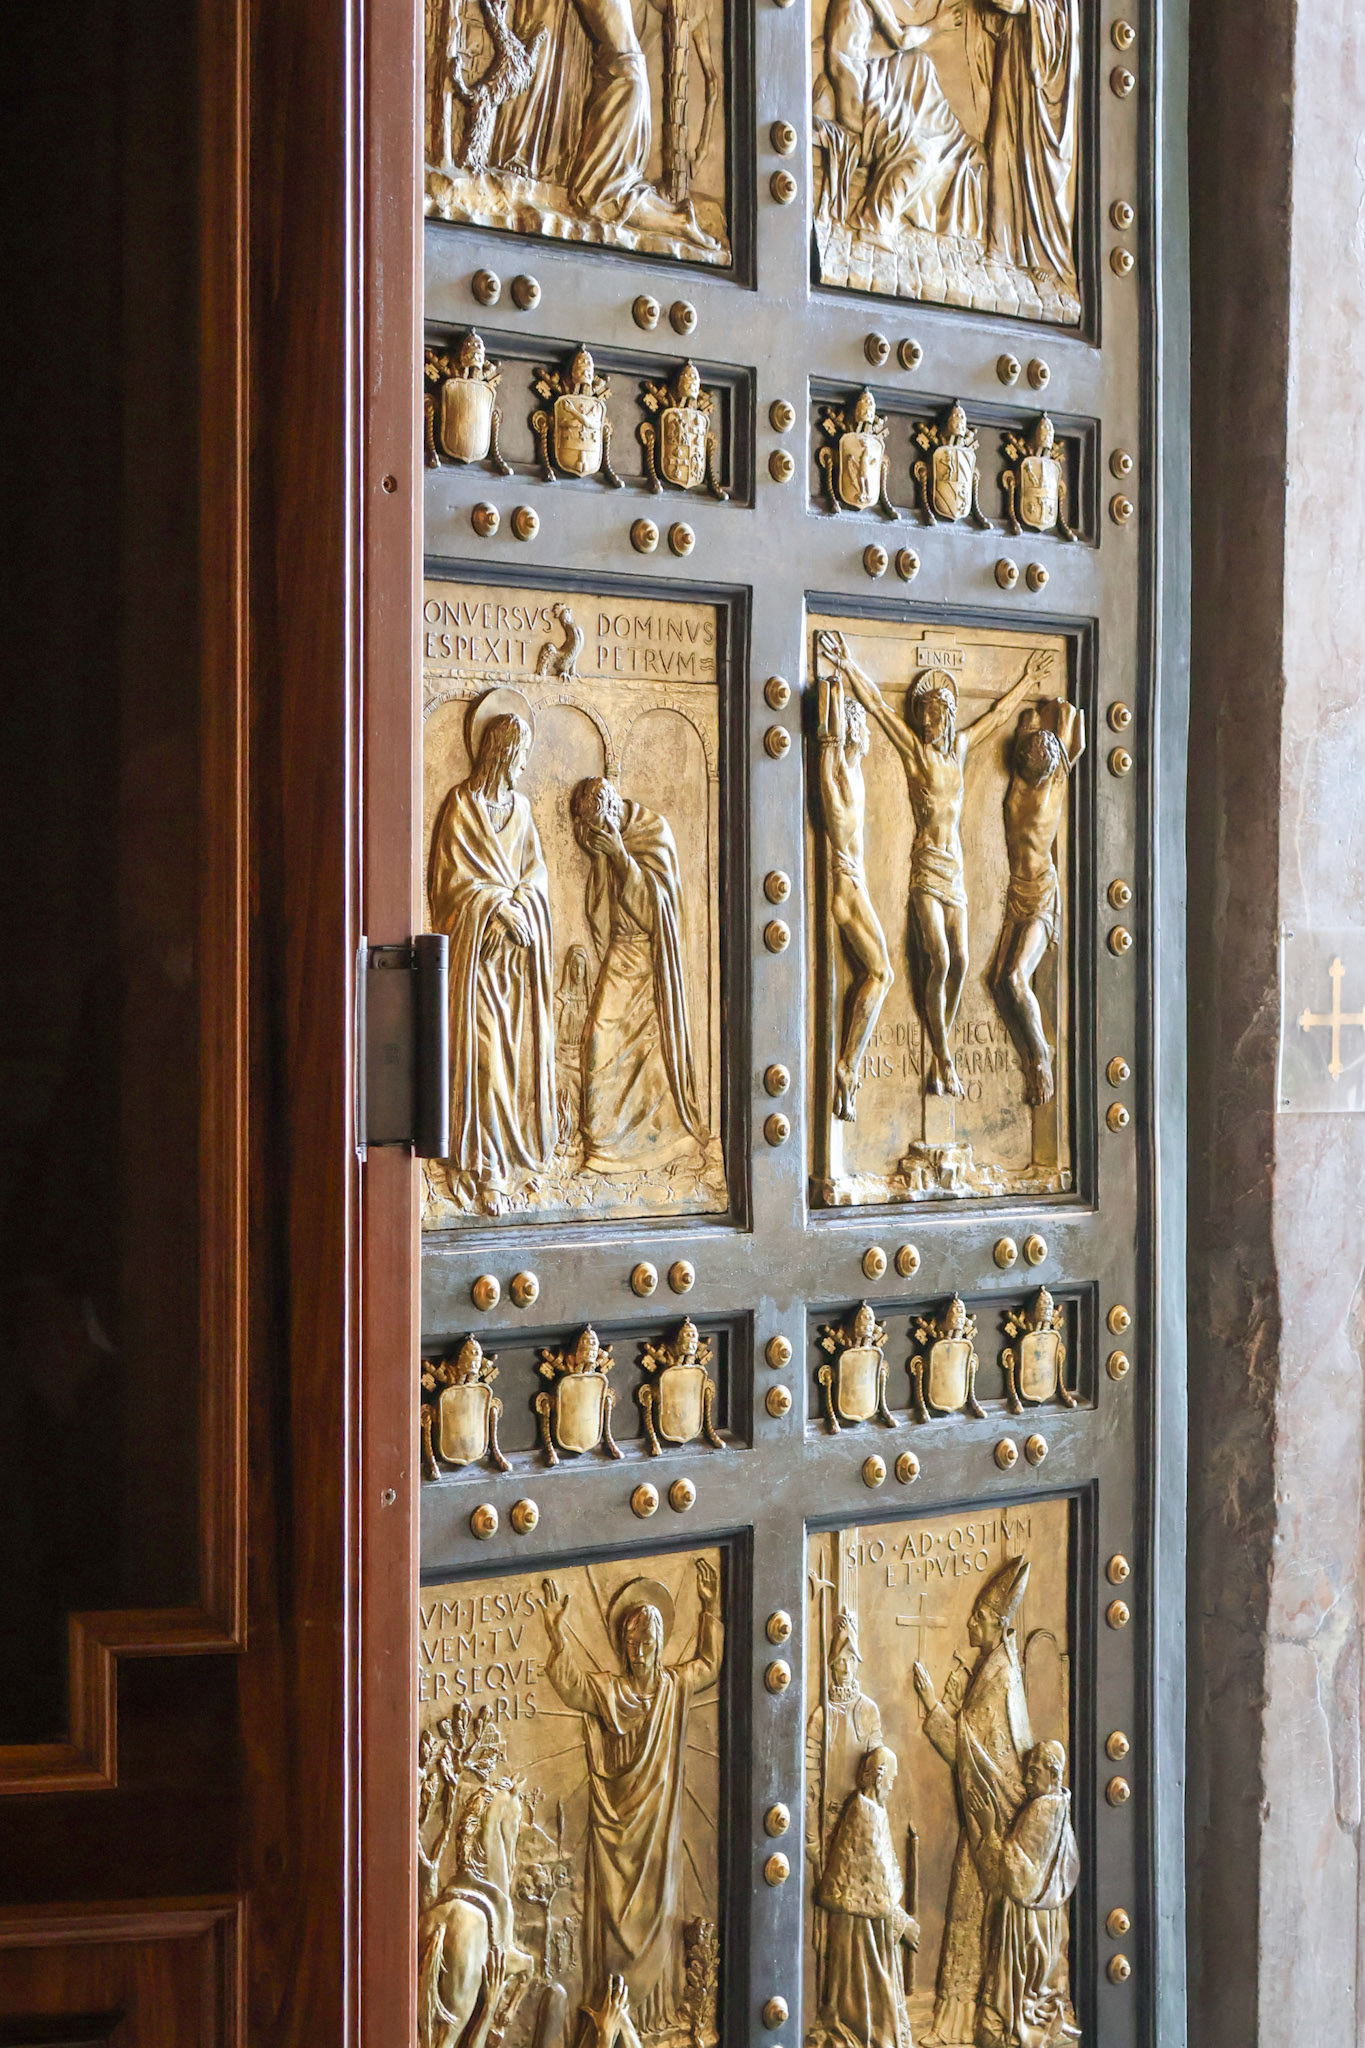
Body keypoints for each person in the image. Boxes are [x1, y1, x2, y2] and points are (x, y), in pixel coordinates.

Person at [817, 633, 1055, 1099]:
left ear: (946, 714)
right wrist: (846, 665)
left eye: (933, 714)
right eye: (922, 714)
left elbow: (996, 717)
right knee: (940, 959)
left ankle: (939, 1055)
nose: (926, 722)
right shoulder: (916, 754)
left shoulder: (960, 749)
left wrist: (1028, 680)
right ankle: (944, 1058)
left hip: (955, 870)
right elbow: (879, 709)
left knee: (961, 961)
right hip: (926, 868)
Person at [539, 1561, 723, 2031]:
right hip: (614, 1827)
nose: (639, 1653)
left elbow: (709, 1666)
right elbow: (573, 1688)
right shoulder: (611, 1691)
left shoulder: (673, 1688)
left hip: (657, 1825)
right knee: (612, 1922)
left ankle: (652, 2015)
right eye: (632, 1644)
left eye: (647, 1644)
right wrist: (557, 1635)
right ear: (622, 1646)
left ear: (659, 1645)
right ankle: (610, 2016)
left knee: (659, 1913)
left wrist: (710, 1607)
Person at [427, 693, 556, 1215]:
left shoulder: (521, 810)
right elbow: (448, 886)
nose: (524, 766)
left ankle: (509, 1156)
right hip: (476, 959)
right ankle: (488, 1170)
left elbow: (537, 876)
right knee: (484, 1060)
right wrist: (497, 906)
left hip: (515, 965)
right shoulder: (462, 806)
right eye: (520, 756)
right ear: (502, 752)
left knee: (511, 1060)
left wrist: (524, 905)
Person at [912, 1558, 1033, 2046]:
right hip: (988, 1815)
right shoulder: (994, 1668)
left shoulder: (1000, 1675)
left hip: (992, 1819)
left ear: (998, 1624)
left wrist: (932, 1705)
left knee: (971, 1909)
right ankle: (963, 2023)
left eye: (979, 1617)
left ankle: (967, 2024)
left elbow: (974, 1752)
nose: (970, 1622)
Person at [570, 776, 707, 1176]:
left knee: (651, 1056)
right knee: (597, 1042)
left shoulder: (653, 832)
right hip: (620, 954)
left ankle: (662, 1143)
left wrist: (619, 856)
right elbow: (598, 909)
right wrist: (600, 857)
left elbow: (654, 911)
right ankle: (602, 1148)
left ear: (613, 813)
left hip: (650, 960)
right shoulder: (606, 834)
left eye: (600, 827)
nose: (598, 835)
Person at [815, 0, 982, 242]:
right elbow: (901, 40)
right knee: (919, 154)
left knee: (919, 63)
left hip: (867, 77)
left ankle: (953, 138)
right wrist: (938, 25)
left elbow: (878, 38)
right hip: (860, 101)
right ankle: (875, 219)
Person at [987, 702, 1084, 1106]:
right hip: (1017, 893)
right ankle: (1028, 1051)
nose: (1030, 760)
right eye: (1027, 756)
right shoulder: (1020, 778)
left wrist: (1063, 714)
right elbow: (1030, 726)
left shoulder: (1053, 783)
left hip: (1042, 896)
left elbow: (1072, 739)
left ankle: (1040, 1058)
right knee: (997, 982)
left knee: (1013, 978)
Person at [963, 1739, 1080, 2048]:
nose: (1027, 1779)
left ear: (1053, 1773)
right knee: (1039, 1979)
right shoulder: (1061, 1807)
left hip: (1025, 1919)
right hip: (1048, 1916)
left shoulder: (1041, 1809)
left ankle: (1012, 2022)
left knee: (1017, 1987)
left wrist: (989, 1829)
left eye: (1033, 1772)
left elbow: (1014, 1873)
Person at [818, 661, 895, 1121]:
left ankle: (849, 1068)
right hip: (848, 889)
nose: (868, 733)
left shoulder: (851, 771)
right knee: (882, 974)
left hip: (854, 884)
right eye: (861, 726)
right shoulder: (839, 779)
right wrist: (833, 702)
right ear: (851, 732)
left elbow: (837, 744)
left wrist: (838, 689)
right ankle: (847, 1066)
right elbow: (830, 747)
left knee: (882, 974)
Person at [815, 1746, 919, 2048]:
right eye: (891, 1780)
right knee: (871, 1988)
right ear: (880, 1777)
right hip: (861, 1926)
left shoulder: (875, 1811)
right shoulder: (864, 1814)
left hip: (872, 1920)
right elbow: (875, 1886)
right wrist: (902, 1922)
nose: (892, 1787)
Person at [980, 0, 1078, 292]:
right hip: (1015, 51)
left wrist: (1029, 8)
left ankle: (1045, 254)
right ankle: (999, 244)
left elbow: (1065, 13)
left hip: (1041, 60)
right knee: (1001, 145)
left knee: (1033, 156)